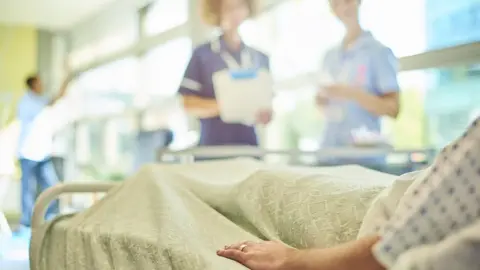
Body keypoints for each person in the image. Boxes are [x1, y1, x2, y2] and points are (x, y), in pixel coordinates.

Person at [217, 116, 480, 270]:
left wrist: (294, 260)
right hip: (391, 193)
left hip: (371, 214)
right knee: (262, 180)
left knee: (263, 183)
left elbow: (389, 249)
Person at [316, 0, 400, 167]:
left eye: (347, 1)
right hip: (328, 156)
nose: (342, 7)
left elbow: (393, 108)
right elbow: (323, 105)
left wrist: (351, 93)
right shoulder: (329, 56)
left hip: (364, 160)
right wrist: (321, 101)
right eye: (336, 3)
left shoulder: (378, 52)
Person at [178, 0, 272, 147]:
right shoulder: (203, 55)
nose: (235, 13)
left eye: (240, 6)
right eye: (228, 8)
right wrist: (226, 106)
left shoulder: (259, 58)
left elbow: (267, 102)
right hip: (213, 146)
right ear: (217, 12)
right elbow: (187, 103)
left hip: (249, 147)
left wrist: (265, 115)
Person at [15, 71, 73, 237]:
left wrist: (66, 78)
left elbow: (55, 98)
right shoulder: (26, 102)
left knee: (52, 186)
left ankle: (50, 218)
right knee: (28, 190)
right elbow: (52, 101)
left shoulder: (38, 100)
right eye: (40, 83)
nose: (42, 85)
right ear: (33, 85)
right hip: (28, 152)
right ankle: (26, 224)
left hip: (42, 153)